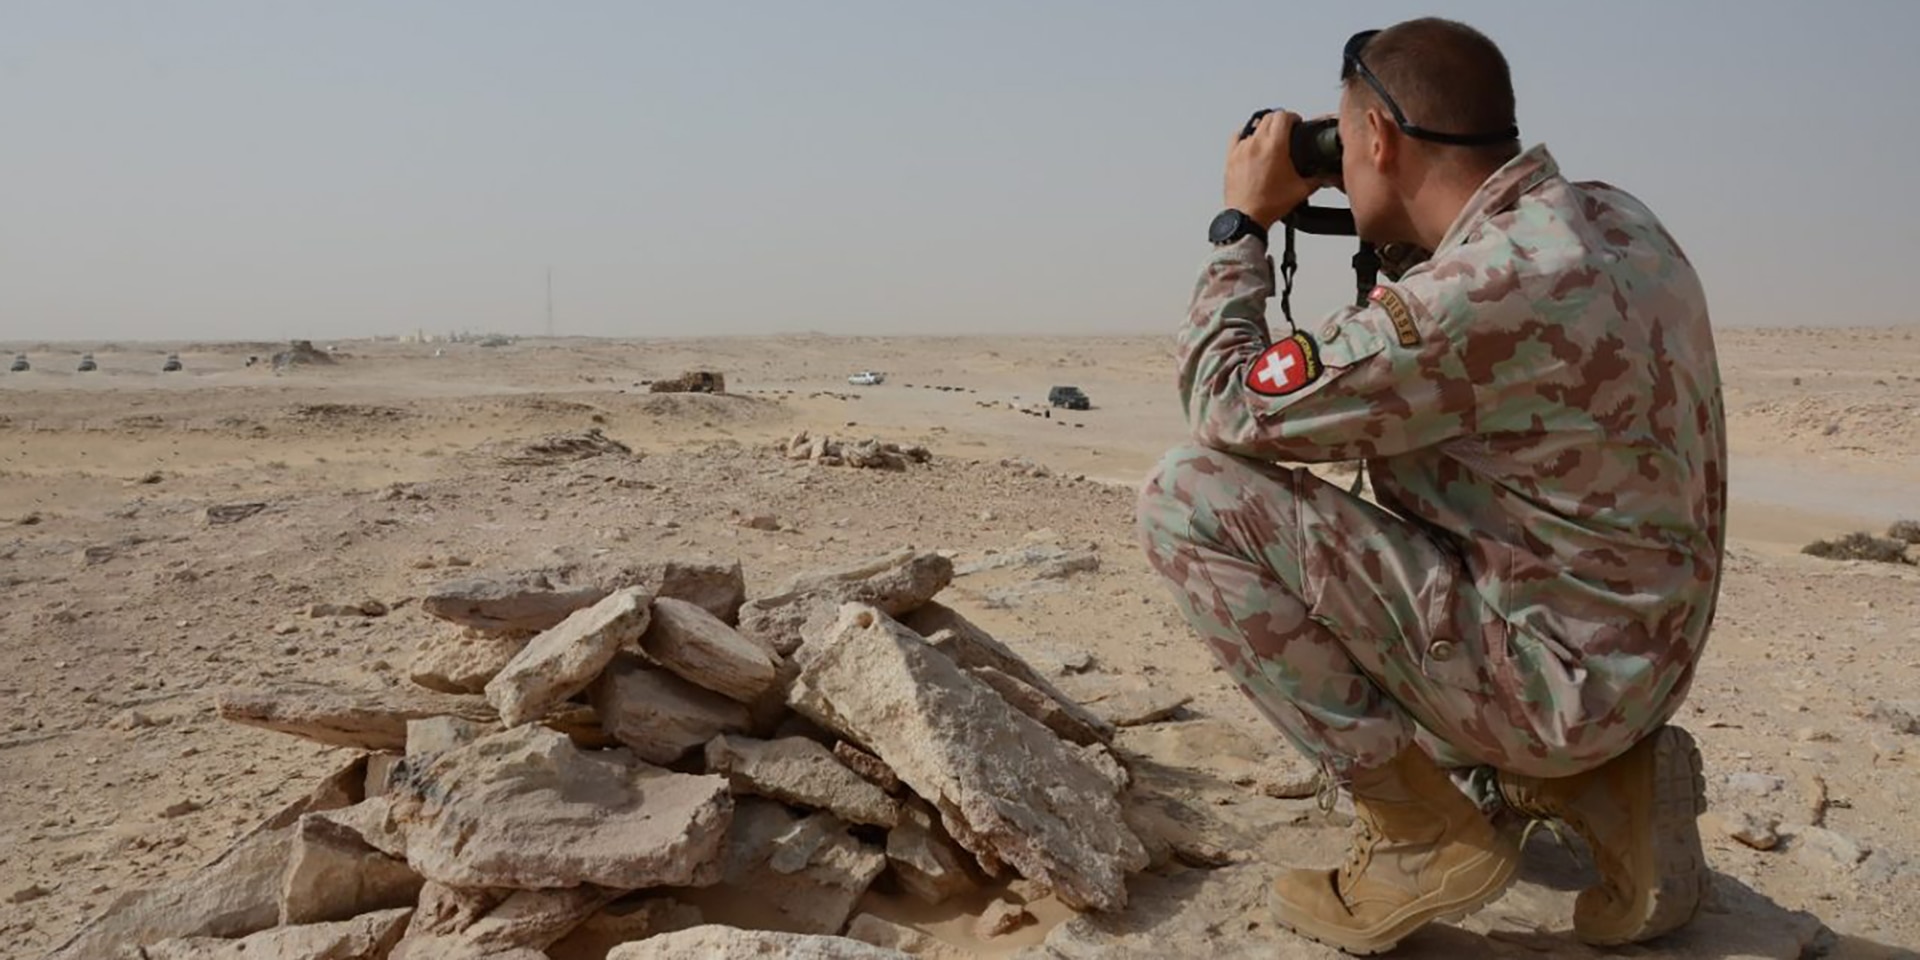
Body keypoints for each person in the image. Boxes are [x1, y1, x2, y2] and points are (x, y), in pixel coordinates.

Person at [1135, 17, 1725, 955]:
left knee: (1188, 495)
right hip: (1634, 668)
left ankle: (1420, 835)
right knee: (1415, 571)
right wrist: (1391, 213)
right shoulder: (1616, 220)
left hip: (1553, 685)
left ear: (1375, 138)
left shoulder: (1472, 295)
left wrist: (1240, 223)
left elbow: (1224, 402)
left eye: (1343, 138)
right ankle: (1601, 785)